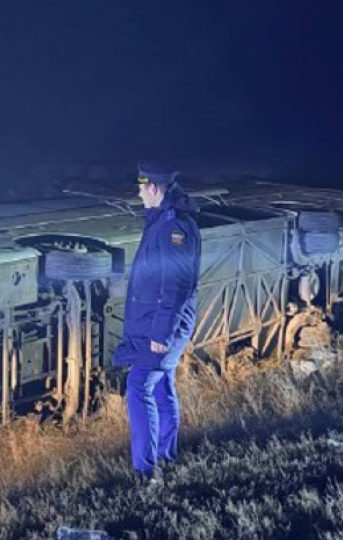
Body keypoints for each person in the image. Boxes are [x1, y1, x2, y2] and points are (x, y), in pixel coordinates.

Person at [113, 163, 202, 482]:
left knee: (139, 388)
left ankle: (145, 470)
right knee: (162, 384)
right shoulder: (165, 222)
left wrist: (161, 332)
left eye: (141, 186)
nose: (138, 193)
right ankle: (167, 456)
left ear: (153, 187)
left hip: (161, 327)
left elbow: (176, 284)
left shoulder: (172, 227)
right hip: (161, 325)